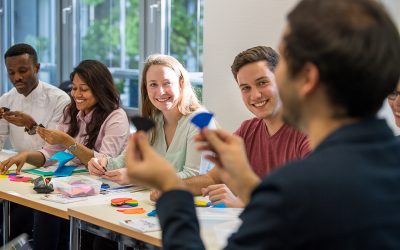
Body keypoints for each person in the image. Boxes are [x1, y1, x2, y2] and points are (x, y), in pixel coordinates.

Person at [125, 0, 400, 249]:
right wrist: (245, 181)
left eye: (280, 65)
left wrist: (171, 189)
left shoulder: (300, 188)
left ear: (307, 77)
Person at [151, 46, 310, 208]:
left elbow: (311, 203)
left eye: (262, 83)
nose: (255, 95)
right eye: (245, 88)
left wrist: (243, 203)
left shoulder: (308, 133)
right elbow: (213, 178)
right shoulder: (247, 130)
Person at [1, 59, 130, 250]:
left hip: (101, 190)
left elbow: (104, 163)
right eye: (75, 88)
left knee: (45, 216)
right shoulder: (71, 112)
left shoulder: (115, 117)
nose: (77, 94)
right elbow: (49, 153)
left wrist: (68, 141)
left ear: (99, 88)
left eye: (83, 89)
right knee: (43, 209)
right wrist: (27, 156)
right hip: (71, 187)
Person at [88, 54, 216, 184]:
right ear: (146, 88)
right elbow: (126, 160)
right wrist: (103, 164)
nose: (160, 92)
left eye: (167, 83)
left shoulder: (201, 121)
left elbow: (193, 176)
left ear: (181, 83)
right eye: (153, 84)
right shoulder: (154, 118)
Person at [0, 43, 70, 152]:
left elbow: (53, 148)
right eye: (11, 73)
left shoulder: (59, 100)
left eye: (22, 71)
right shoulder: (6, 99)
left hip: (51, 166)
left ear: (36, 68)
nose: (17, 77)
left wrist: (31, 126)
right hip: (19, 163)